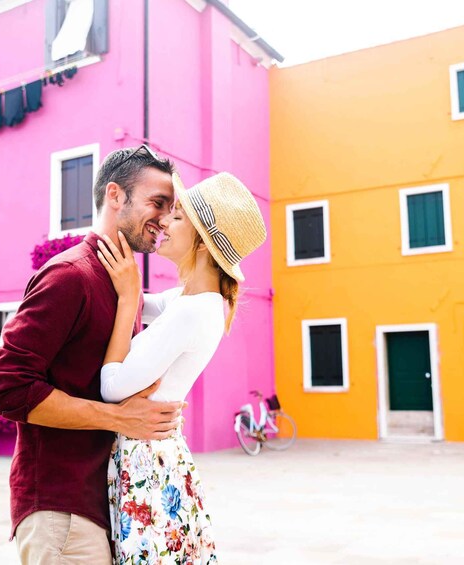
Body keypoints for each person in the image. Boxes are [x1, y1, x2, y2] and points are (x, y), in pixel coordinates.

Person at [0, 145, 183, 564]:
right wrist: (118, 418)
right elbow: (6, 388)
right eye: (157, 203)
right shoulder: (70, 276)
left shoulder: (122, 285)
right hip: (61, 510)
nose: (165, 219)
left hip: (99, 504)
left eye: (171, 208)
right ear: (115, 196)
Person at [95, 171, 267, 563]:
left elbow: (112, 386)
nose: (164, 223)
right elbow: (142, 298)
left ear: (204, 243)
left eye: (178, 217)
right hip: (158, 456)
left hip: (147, 465)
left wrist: (125, 300)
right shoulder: (192, 301)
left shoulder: (192, 310)